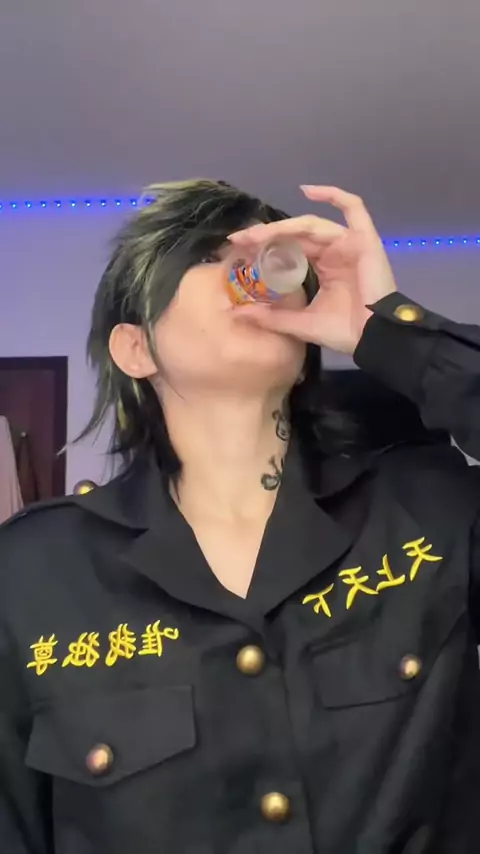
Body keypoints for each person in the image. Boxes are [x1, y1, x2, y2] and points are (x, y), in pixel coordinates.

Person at [0, 180, 479, 854]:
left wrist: (392, 332)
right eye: (206, 254)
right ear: (136, 350)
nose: (249, 270)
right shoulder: (31, 571)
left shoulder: (427, 508)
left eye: (259, 252)